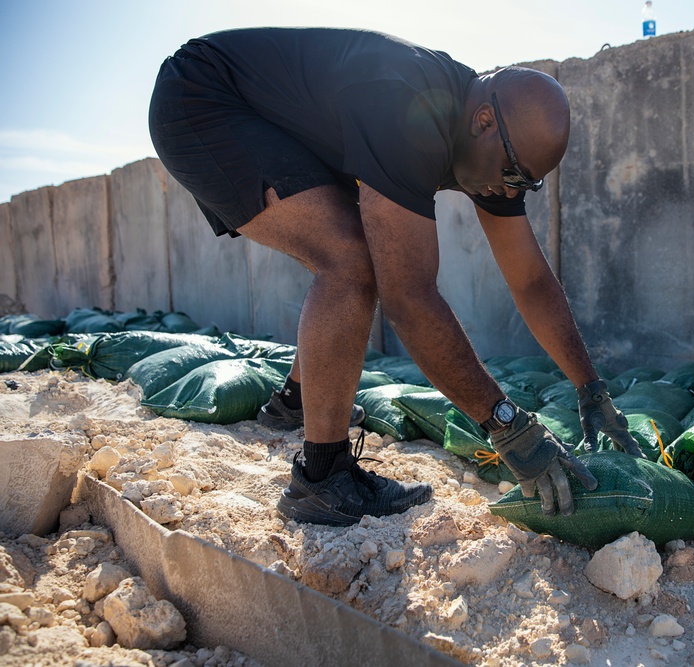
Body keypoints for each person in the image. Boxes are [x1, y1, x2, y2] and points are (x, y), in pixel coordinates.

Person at [148, 27, 642, 527]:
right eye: (511, 173)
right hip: (202, 97)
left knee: (352, 250)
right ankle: (321, 481)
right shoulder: (408, 108)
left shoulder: (489, 149)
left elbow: (531, 281)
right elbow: (409, 300)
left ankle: (295, 402)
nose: (507, 190)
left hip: (274, 118)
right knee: (352, 261)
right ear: (484, 120)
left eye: (524, 184)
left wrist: (590, 387)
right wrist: (505, 423)